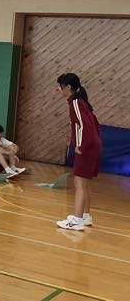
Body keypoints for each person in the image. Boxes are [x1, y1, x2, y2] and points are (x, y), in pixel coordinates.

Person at [56, 73, 102, 231]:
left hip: (87, 147)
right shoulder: (80, 101)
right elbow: (95, 123)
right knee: (84, 183)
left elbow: (84, 126)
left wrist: (80, 145)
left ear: (68, 87)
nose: (58, 89)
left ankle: (76, 220)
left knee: (79, 183)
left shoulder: (75, 102)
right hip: (92, 146)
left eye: (60, 86)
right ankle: (85, 216)